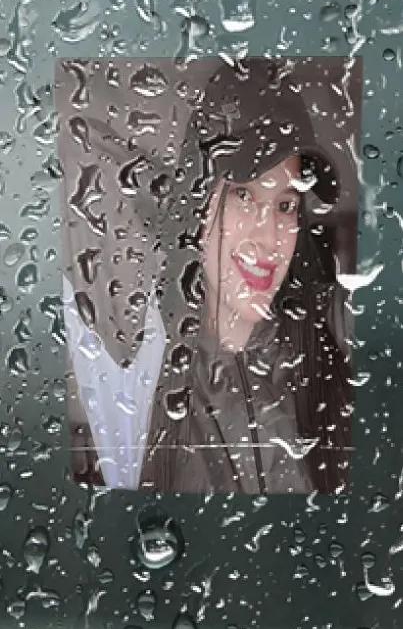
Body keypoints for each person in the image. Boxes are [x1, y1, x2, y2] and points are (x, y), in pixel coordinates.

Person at [62, 56, 355, 495]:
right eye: (243, 194)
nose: (270, 237)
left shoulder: (328, 366)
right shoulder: (142, 372)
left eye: (286, 205)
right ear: (198, 204)